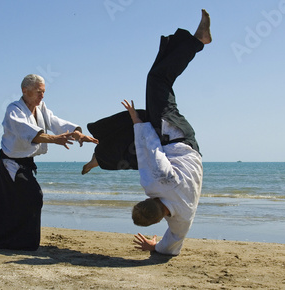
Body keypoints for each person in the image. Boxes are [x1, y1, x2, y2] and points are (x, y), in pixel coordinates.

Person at [84, 9, 211, 255]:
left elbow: (171, 244)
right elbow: (149, 148)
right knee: (157, 79)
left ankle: (98, 159)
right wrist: (136, 121)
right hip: (172, 135)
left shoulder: (182, 219)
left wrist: (155, 246)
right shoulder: (154, 183)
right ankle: (198, 41)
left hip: (188, 148)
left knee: (126, 153)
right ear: (151, 199)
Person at [0, 74, 98, 251]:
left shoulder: (41, 107)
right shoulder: (14, 110)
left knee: (4, 201)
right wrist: (53, 139)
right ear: (25, 90)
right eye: (38, 92)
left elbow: (55, 122)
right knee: (34, 196)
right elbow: (27, 132)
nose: (42, 96)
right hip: (11, 163)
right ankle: (22, 241)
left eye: (43, 92)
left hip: (26, 162)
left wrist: (77, 133)